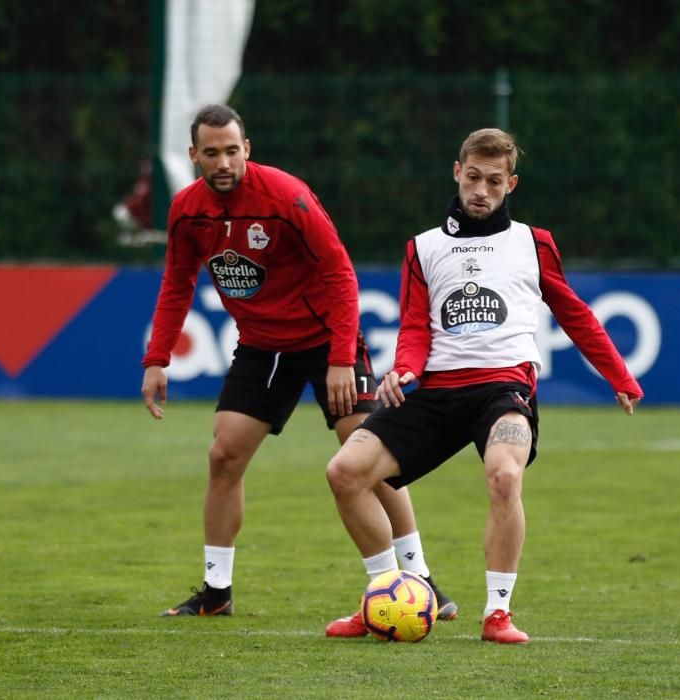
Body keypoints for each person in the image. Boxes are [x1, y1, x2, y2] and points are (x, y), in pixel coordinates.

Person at [141, 103, 457, 626]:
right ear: (194, 155)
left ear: (248, 150)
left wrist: (338, 359)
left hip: (326, 339)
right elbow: (177, 283)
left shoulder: (286, 196)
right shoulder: (186, 210)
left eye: (232, 151)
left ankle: (418, 578)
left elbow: (339, 273)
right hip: (263, 346)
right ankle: (216, 591)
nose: (224, 162)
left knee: (371, 460)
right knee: (224, 456)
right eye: (212, 153)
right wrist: (157, 358)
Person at [324, 127, 643, 643]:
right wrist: (404, 369)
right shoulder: (422, 249)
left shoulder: (533, 244)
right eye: (473, 177)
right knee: (345, 472)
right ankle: (384, 596)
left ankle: (497, 614)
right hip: (434, 390)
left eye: (494, 181)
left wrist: (618, 374)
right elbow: (414, 326)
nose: (481, 190)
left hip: (503, 388)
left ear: (510, 184)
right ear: (457, 172)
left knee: (504, 476)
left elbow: (574, 312)